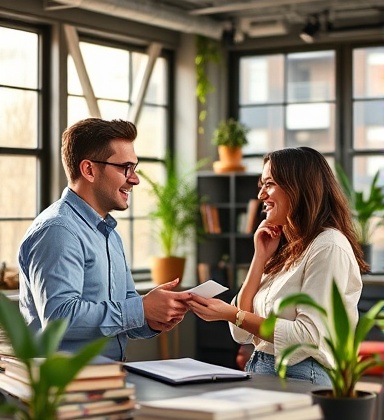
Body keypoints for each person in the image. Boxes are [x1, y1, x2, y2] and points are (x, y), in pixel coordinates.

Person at [188, 146, 368, 385]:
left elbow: (308, 336)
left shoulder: (328, 246)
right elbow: (241, 332)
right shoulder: (286, 248)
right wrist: (260, 257)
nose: (261, 195)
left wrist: (231, 314)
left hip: (302, 374)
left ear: (299, 188)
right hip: (264, 368)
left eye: (269, 184)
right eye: (261, 185)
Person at [18, 118, 191, 361]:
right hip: (63, 389)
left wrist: (153, 317)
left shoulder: (109, 233)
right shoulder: (58, 230)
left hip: (107, 382)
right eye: (125, 168)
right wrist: (141, 308)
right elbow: (59, 318)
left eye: (135, 168)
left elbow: (124, 314)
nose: (135, 179)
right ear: (89, 170)